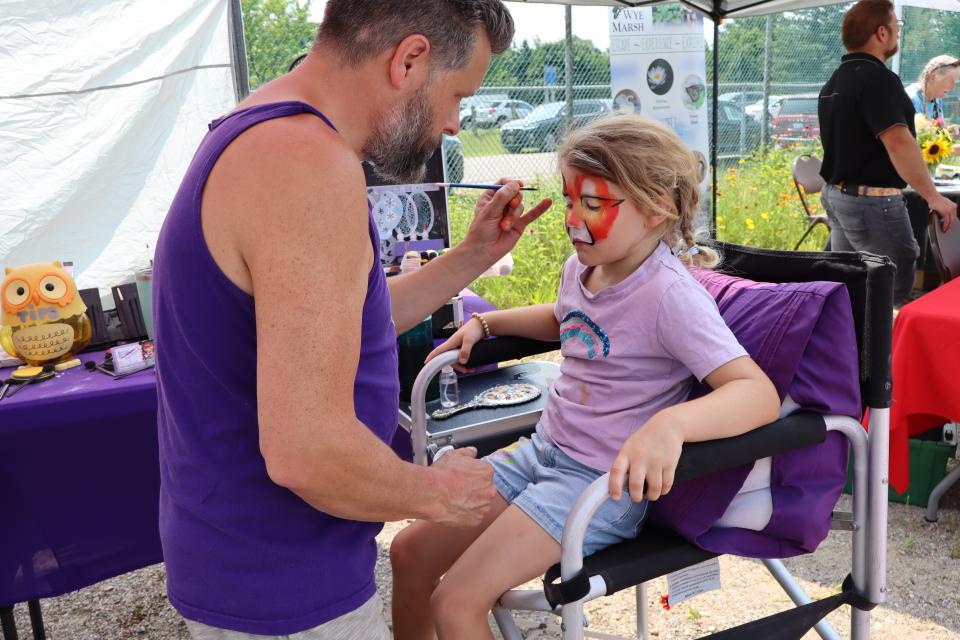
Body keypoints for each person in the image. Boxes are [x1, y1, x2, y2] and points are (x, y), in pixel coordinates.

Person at [152, 1, 553, 638]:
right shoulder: (305, 167)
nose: (453, 125)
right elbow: (307, 454)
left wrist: (469, 259)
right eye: (456, 96)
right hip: (283, 582)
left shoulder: (265, 129)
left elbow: (337, 324)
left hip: (253, 558)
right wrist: (440, 493)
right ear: (410, 59)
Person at [389, 115, 782, 640]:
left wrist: (672, 426)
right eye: (570, 201)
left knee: (457, 603)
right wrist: (487, 323)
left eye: (592, 204)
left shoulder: (670, 296)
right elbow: (565, 318)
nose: (573, 219)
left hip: (598, 485)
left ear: (656, 208)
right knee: (409, 553)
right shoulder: (585, 268)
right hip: (541, 453)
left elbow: (756, 393)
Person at [818, 0, 957, 305]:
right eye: (897, 26)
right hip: (872, 202)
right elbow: (898, 142)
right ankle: (882, 350)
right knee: (891, 284)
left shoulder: (835, 80)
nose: (899, 33)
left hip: (838, 195)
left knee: (852, 284)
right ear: (881, 32)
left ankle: (856, 347)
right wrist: (933, 197)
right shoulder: (878, 79)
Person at [905, 55, 960, 122]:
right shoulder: (911, 100)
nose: (953, 88)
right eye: (950, 81)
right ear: (933, 77)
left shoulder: (937, 98)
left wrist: (951, 129)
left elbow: (938, 128)